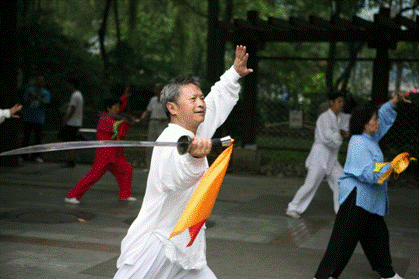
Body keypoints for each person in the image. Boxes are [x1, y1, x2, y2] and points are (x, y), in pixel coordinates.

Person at [114, 45, 253, 279]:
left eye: (201, 97)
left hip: (186, 245)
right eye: (193, 99)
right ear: (172, 108)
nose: (201, 102)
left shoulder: (196, 130)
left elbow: (216, 102)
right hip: (157, 244)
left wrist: (233, 74)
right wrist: (194, 157)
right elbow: (174, 177)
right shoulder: (170, 139)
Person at [313, 92, 411, 279]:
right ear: (365, 124)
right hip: (356, 198)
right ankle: (323, 277)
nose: (378, 122)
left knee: (378, 237)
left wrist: (394, 101)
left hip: (369, 200)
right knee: (343, 241)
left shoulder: (370, 138)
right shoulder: (359, 142)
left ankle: (388, 274)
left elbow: (382, 115)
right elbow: (368, 173)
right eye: (374, 120)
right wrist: (391, 166)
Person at [286, 91, 350, 218]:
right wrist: (341, 133)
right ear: (331, 102)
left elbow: (354, 121)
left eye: (342, 101)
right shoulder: (324, 118)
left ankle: (341, 211)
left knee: (341, 181)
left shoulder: (342, 117)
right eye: (339, 101)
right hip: (319, 156)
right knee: (310, 184)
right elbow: (327, 138)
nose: (341, 104)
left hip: (332, 157)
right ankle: (292, 207)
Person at [64, 97, 136, 204]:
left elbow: (120, 128)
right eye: (115, 107)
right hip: (105, 154)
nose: (117, 109)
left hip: (115, 153)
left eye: (118, 107)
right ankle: (71, 196)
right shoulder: (105, 119)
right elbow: (118, 131)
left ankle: (125, 194)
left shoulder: (112, 117)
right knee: (94, 175)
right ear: (108, 108)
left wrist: (124, 99)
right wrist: (127, 123)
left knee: (126, 170)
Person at [138, 83, 169, 170]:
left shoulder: (167, 100)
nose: (157, 91)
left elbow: (171, 113)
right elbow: (147, 111)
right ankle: (149, 166)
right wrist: (141, 118)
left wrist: (166, 118)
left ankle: (161, 167)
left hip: (163, 123)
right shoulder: (153, 100)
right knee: (150, 145)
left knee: (162, 145)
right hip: (153, 122)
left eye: (159, 89)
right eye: (156, 90)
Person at [21, 74, 51, 162]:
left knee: (37, 138)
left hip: (39, 119)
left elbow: (46, 103)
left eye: (41, 80)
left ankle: (36, 156)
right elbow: (24, 103)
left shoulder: (46, 93)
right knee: (26, 137)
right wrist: (30, 98)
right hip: (28, 117)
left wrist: (37, 97)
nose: (39, 82)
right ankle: (23, 156)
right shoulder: (29, 90)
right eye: (38, 80)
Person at [59, 78, 84, 168]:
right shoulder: (79, 95)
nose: (68, 86)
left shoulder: (75, 95)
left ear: (72, 84)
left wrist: (66, 118)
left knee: (69, 141)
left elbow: (73, 108)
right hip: (76, 122)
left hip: (72, 122)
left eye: (69, 84)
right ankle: (71, 159)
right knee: (71, 141)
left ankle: (71, 160)